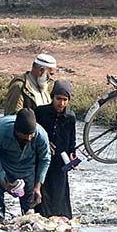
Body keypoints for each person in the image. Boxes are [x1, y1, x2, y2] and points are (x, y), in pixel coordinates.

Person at [0, 109, 51, 223]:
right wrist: (4, 184)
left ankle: (26, 230)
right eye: (25, 135)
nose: (28, 138)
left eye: (31, 135)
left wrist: (37, 187)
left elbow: (45, 159)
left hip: (27, 165)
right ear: (16, 130)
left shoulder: (41, 134)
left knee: (29, 206)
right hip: (2, 163)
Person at [35, 80, 76, 219]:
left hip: (60, 163)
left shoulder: (70, 117)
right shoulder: (40, 112)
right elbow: (33, 134)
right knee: (42, 194)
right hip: (42, 160)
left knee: (59, 195)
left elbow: (72, 141)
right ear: (52, 97)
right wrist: (45, 143)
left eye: (65, 100)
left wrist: (72, 155)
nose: (61, 103)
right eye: (58, 99)